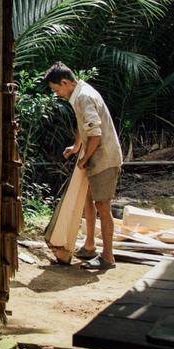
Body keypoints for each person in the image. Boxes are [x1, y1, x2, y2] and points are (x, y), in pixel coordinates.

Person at [42, 63, 123, 268]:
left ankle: (107, 257)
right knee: (88, 201)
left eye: (56, 89)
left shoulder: (83, 97)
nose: (57, 94)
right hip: (95, 155)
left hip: (104, 158)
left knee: (103, 206)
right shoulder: (78, 94)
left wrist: (84, 159)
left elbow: (95, 135)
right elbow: (83, 125)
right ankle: (89, 246)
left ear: (65, 82)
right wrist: (76, 146)